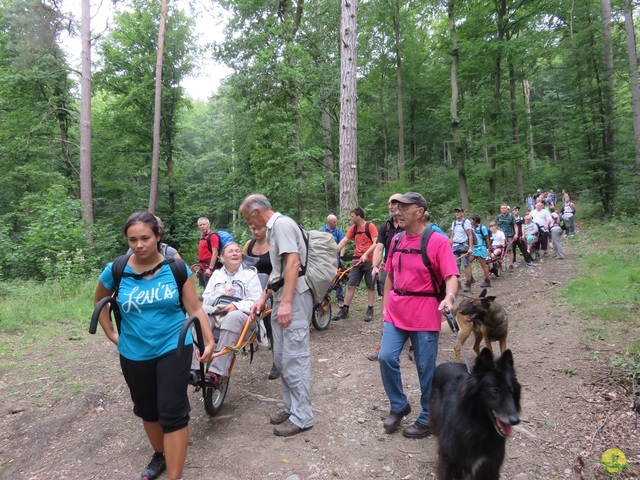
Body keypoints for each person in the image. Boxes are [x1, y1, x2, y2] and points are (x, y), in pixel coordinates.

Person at [94, 212, 215, 480]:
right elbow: (100, 302)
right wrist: (112, 335)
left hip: (174, 346)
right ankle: (160, 454)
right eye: (133, 239)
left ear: (158, 236)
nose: (139, 245)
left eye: (145, 238)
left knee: (172, 411)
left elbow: (194, 307)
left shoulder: (176, 268)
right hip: (134, 351)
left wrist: (209, 338)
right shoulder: (116, 269)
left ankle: (175, 476)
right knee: (147, 409)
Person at [378, 192, 459, 439]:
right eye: (396, 207)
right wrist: (385, 304)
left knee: (425, 368)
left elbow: (451, 276)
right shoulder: (397, 240)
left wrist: (449, 297)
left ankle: (428, 417)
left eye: (403, 208)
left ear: (419, 212)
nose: (397, 211)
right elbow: (389, 274)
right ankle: (399, 405)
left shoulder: (437, 240)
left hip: (424, 311)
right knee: (385, 358)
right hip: (397, 309)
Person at [241, 194, 314, 437]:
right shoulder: (275, 229)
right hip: (281, 295)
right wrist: (264, 297)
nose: (249, 224)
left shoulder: (281, 225)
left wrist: (287, 303)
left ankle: (303, 416)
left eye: (248, 218)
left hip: (292, 298)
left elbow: (293, 264)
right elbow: (278, 267)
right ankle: (291, 407)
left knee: (295, 357)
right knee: (282, 358)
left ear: (257, 212)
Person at [191, 242, 263, 385]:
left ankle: (215, 372)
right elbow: (206, 298)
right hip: (218, 311)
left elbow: (256, 301)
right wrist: (222, 293)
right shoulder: (217, 275)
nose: (235, 253)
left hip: (242, 315)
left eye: (237, 251)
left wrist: (235, 305)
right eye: (230, 251)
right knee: (201, 312)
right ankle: (195, 368)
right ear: (222, 258)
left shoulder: (250, 274)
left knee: (233, 316)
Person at [242, 224, 279, 380]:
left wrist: (265, 293)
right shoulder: (248, 245)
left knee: (272, 323)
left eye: (258, 228)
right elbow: (241, 267)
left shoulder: (274, 244)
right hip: (252, 289)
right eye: (252, 228)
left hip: (271, 288)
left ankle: (277, 361)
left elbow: (276, 270)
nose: (255, 231)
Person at [333, 207, 379, 322]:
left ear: (358, 216)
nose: (351, 218)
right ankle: (345, 309)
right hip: (357, 260)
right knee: (350, 285)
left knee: (370, 286)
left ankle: (370, 309)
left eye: (352, 216)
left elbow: (376, 243)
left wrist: (366, 254)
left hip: (369, 260)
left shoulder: (370, 226)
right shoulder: (353, 228)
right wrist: (333, 251)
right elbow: (344, 240)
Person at [319, 214, 345, 307]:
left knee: (338, 277)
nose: (336, 223)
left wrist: (341, 258)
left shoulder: (338, 231)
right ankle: (323, 297)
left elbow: (343, 244)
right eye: (334, 222)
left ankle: (340, 299)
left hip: (335, 256)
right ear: (329, 222)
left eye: (336, 221)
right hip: (324, 257)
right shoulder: (321, 230)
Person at [449, 207, 474, 292]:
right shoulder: (454, 223)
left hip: (463, 245)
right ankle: (457, 283)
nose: (457, 213)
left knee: (466, 264)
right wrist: (450, 246)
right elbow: (452, 235)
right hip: (455, 246)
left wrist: (470, 247)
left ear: (462, 213)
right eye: (456, 212)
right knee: (456, 265)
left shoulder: (466, 222)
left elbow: (470, 234)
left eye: (459, 212)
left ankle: (468, 283)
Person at [196, 217, 219, 288]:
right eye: (200, 225)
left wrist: (210, 268)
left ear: (209, 225)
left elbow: (215, 253)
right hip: (203, 267)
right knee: (205, 291)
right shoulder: (203, 238)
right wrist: (199, 269)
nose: (202, 226)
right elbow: (202, 255)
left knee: (211, 290)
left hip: (209, 268)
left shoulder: (213, 236)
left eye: (204, 224)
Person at [470, 214, 492, 288]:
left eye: (471, 220)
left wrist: (489, 249)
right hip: (475, 248)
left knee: (483, 266)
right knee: (467, 262)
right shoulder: (472, 228)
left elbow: (487, 238)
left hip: (481, 248)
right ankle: (470, 278)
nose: (470, 221)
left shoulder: (483, 228)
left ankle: (487, 281)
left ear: (475, 220)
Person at [495, 204, 516, 268]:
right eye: (502, 208)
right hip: (501, 235)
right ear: (500, 209)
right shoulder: (499, 217)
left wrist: (516, 234)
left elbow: (515, 226)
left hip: (509, 235)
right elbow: (496, 225)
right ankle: (499, 266)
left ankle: (511, 264)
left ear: (507, 209)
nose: (503, 209)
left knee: (509, 249)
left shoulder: (511, 216)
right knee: (500, 249)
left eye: (505, 208)